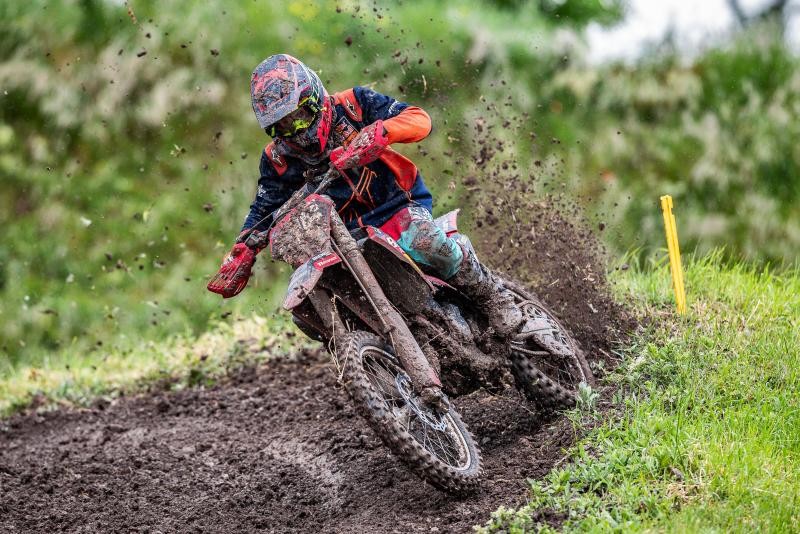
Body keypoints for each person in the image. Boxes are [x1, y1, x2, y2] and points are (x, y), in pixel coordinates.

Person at [208, 54, 524, 335]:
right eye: (284, 127)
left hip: (397, 205)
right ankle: (376, 359)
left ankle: (492, 295)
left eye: (300, 116)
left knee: (426, 241)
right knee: (309, 311)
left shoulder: (353, 105)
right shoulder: (277, 158)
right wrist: (243, 250)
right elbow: (265, 208)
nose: (297, 131)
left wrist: (383, 132)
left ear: (315, 99)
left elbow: (419, 119)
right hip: (341, 236)